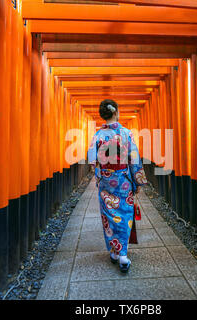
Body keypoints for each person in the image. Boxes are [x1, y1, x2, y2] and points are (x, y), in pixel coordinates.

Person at [87, 99, 148, 273]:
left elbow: (93, 161)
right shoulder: (126, 134)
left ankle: (115, 251)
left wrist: (100, 178)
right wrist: (137, 181)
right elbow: (134, 160)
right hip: (123, 182)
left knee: (109, 215)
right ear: (116, 112)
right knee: (125, 214)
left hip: (106, 182)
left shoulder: (98, 136)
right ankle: (123, 255)